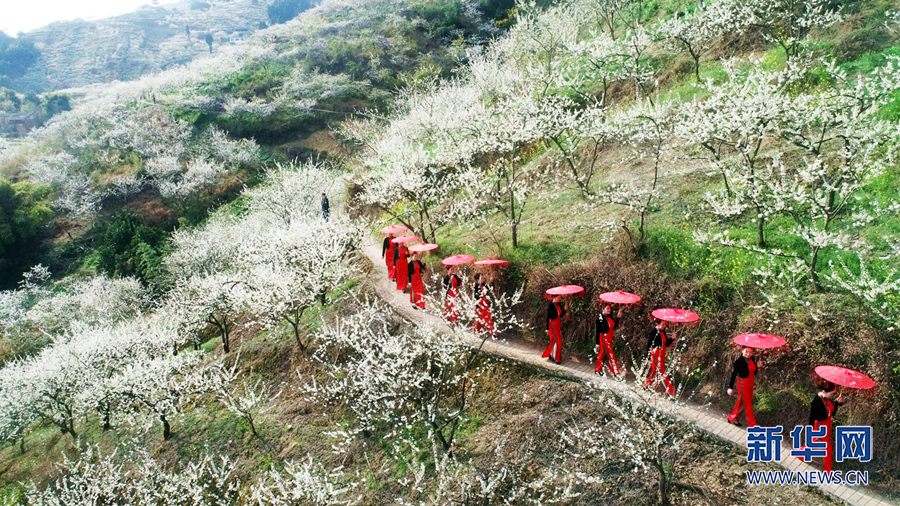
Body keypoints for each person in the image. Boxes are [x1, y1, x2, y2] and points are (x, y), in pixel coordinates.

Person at [809, 381, 844, 474]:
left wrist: (837, 403)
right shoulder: (817, 401)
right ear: (824, 392)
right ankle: (801, 454)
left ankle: (828, 470)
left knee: (826, 447)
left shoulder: (828, 400)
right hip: (819, 426)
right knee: (813, 444)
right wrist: (811, 429)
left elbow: (832, 413)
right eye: (831, 394)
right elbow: (812, 417)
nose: (832, 396)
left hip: (827, 426)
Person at [727, 346, 759, 427]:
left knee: (742, 402)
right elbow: (734, 375)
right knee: (748, 405)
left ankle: (733, 418)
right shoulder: (739, 361)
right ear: (742, 351)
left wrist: (759, 366)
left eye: (750, 352)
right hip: (743, 384)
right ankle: (753, 426)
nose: (748, 354)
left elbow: (754, 372)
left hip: (750, 384)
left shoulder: (752, 359)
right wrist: (730, 387)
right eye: (747, 351)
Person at [644, 318, 676, 396]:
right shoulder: (653, 332)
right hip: (655, 353)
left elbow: (665, 344)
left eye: (665, 324)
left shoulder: (663, 332)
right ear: (658, 324)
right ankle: (670, 391)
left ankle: (648, 386)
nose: (664, 326)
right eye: (663, 324)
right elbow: (649, 345)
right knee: (659, 371)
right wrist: (648, 358)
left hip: (661, 354)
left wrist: (672, 338)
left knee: (656, 371)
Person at [595, 304, 624, 375]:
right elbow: (598, 331)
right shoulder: (600, 319)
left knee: (603, 354)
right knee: (611, 354)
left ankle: (598, 369)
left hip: (610, 339)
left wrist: (618, 318)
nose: (609, 310)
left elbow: (614, 326)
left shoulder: (610, 316)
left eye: (609, 308)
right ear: (603, 309)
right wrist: (597, 343)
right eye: (607, 309)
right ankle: (615, 371)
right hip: (604, 339)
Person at [542, 294, 569, 364]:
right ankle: (557, 358)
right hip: (553, 325)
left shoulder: (558, 304)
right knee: (558, 341)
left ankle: (552, 355)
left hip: (558, 324)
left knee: (554, 340)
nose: (559, 299)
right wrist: (547, 328)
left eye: (559, 297)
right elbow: (547, 318)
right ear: (554, 297)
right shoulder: (550, 306)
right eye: (558, 297)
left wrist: (565, 310)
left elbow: (560, 315)